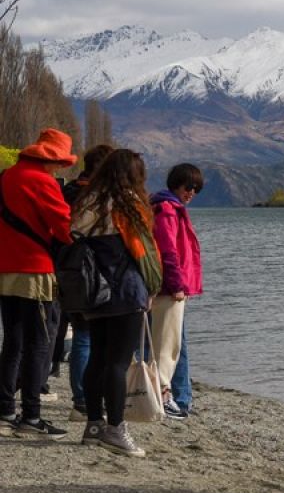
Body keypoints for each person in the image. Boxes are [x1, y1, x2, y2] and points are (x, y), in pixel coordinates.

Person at [72, 148, 163, 457]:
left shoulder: (88, 201)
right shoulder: (129, 205)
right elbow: (144, 254)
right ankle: (117, 428)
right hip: (125, 290)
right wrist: (153, 287)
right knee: (118, 362)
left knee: (97, 357)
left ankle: (94, 424)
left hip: (93, 291)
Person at [0, 128, 75, 440]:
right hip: (36, 269)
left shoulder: (7, 176)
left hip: (5, 268)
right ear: (53, 158)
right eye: (60, 163)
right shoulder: (43, 181)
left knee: (12, 342)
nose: (60, 168)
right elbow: (64, 228)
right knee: (40, 343)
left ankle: (4, 411)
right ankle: (31, 416)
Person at [60, 143, 114, 419]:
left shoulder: (67, 190)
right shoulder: (99, 196)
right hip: (94, 271)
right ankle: (83, 400)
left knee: (79, 333)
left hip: (66, 268)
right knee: (88, 337)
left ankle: (80, 399)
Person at [150, 162, 204, 420]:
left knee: (175, 344)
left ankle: (180, 398)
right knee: (167, 345)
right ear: (176, 184)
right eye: (188, 186)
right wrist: (177, 285)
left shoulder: (169, 207)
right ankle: (164, 397)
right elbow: (168, 252)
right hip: (170, 289)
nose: (192, 192)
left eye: (196, 188)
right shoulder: (167, 211)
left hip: (170, 287)